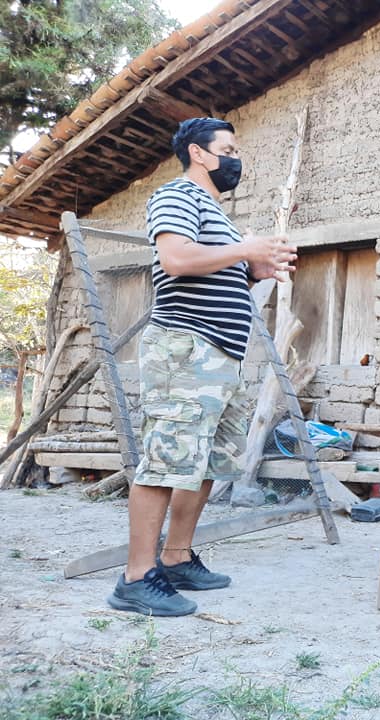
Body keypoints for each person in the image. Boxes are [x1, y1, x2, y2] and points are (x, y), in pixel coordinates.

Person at [108, 117, 297, 616]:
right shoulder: (177, 196)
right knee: (166, 459)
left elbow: (216, 270)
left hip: (222, 355)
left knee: (207, 463)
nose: (236, 158)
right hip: (186, 348)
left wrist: (254, 267)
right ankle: (136, 577)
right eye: (227, 149)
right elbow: (174, 259)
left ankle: (176, 557)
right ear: (198, 153)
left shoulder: (216, 214)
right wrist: (245, 249)